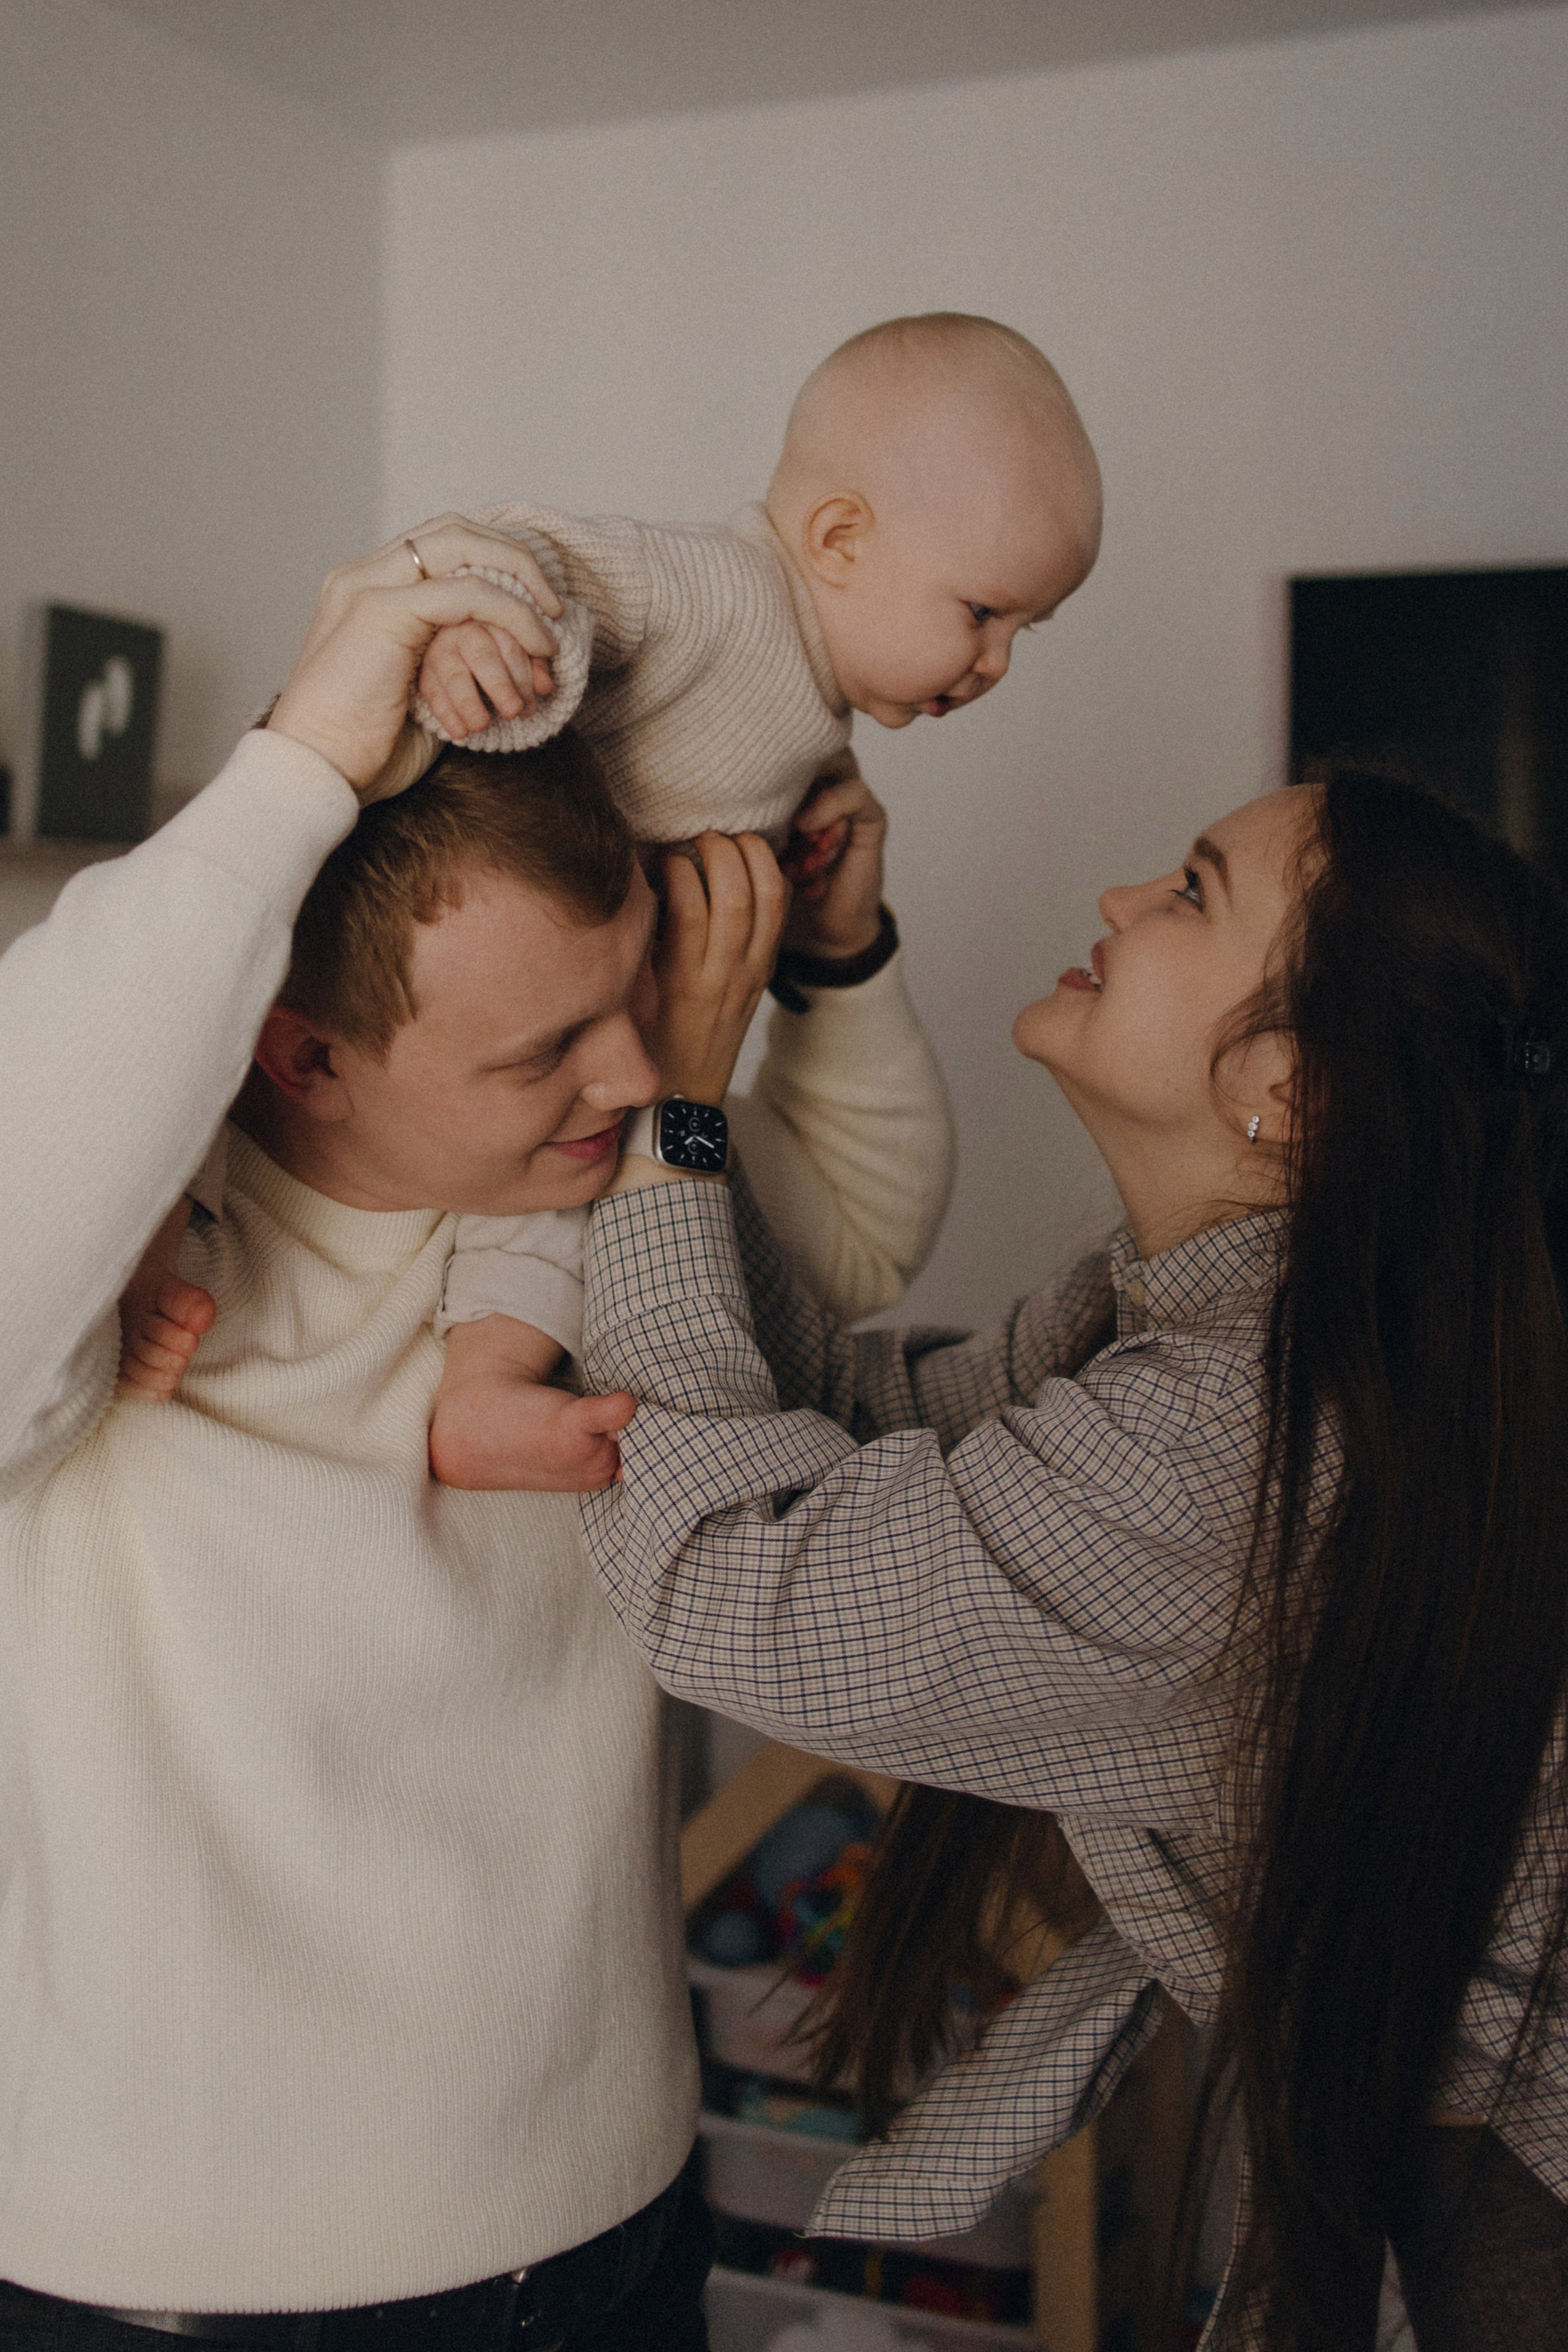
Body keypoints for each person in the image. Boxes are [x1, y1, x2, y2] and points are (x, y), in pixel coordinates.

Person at [0, 524, 951, 2348]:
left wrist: (825, 972)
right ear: (299, 1053)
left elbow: (851, 1225)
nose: (627, 1075)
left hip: (606, 2214)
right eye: (542, 1053)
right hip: (196, 2282)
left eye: (631, 1006)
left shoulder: (602, 1180)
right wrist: (293, 772)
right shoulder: (119, 1273)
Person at [572, 771, 1568, 2351]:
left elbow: (725, 1589)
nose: (1117, 902)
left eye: (1187, 889)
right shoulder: (1224, 1320)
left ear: (1288, 1088)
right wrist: (785, 985)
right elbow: (854, 1419)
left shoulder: (1228, 1443)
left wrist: (676, 1108)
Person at [120, 309, 1095, 1488]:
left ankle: (488, 1383)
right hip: (438, 789)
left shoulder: (636, 1115)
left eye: (1020, 630)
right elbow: (550, 561)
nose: (993, 665)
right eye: (984, 616)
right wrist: (479, 635)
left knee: (585, 1193)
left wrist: (836, 962)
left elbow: (858, 1242)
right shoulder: (725, 597)